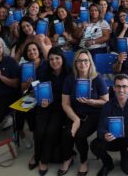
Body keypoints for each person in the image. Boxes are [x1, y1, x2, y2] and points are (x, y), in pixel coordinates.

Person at [60, 49, 109, 176]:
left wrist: (93, 102)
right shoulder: (70, 79)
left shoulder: (98, 78)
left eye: (86, 60)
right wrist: (75, 119)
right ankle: (68, 158)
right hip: (75, 113)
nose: (83, 64)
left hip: (93, 114)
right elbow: (65, 103)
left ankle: (83, 161)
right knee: (67, 134)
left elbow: (106, 101)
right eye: (79, 61)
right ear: (75, 63)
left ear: (90, 62)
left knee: (80, 135)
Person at [90, 74, 128, 175]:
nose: (121, 90)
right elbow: (100, 127)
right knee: (95, 145)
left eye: (124, 86)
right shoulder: (107, 106)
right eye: (118, 86)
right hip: (114, 139)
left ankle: (125, 157)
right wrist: (104, 135)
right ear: (113, 88)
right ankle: (108, 164)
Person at [33, 47, 71, 175]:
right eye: (51, 59)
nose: (54, 61)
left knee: (50, 130)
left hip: (61, 107)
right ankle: (37, 155)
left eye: (57, 58)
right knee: (39, 129)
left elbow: (69, 95)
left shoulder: (69, 72)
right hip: (45, 106)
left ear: (62, 59)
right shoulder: (44, 71)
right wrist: (41, 99)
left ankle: (43, 160)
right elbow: (38, 89)